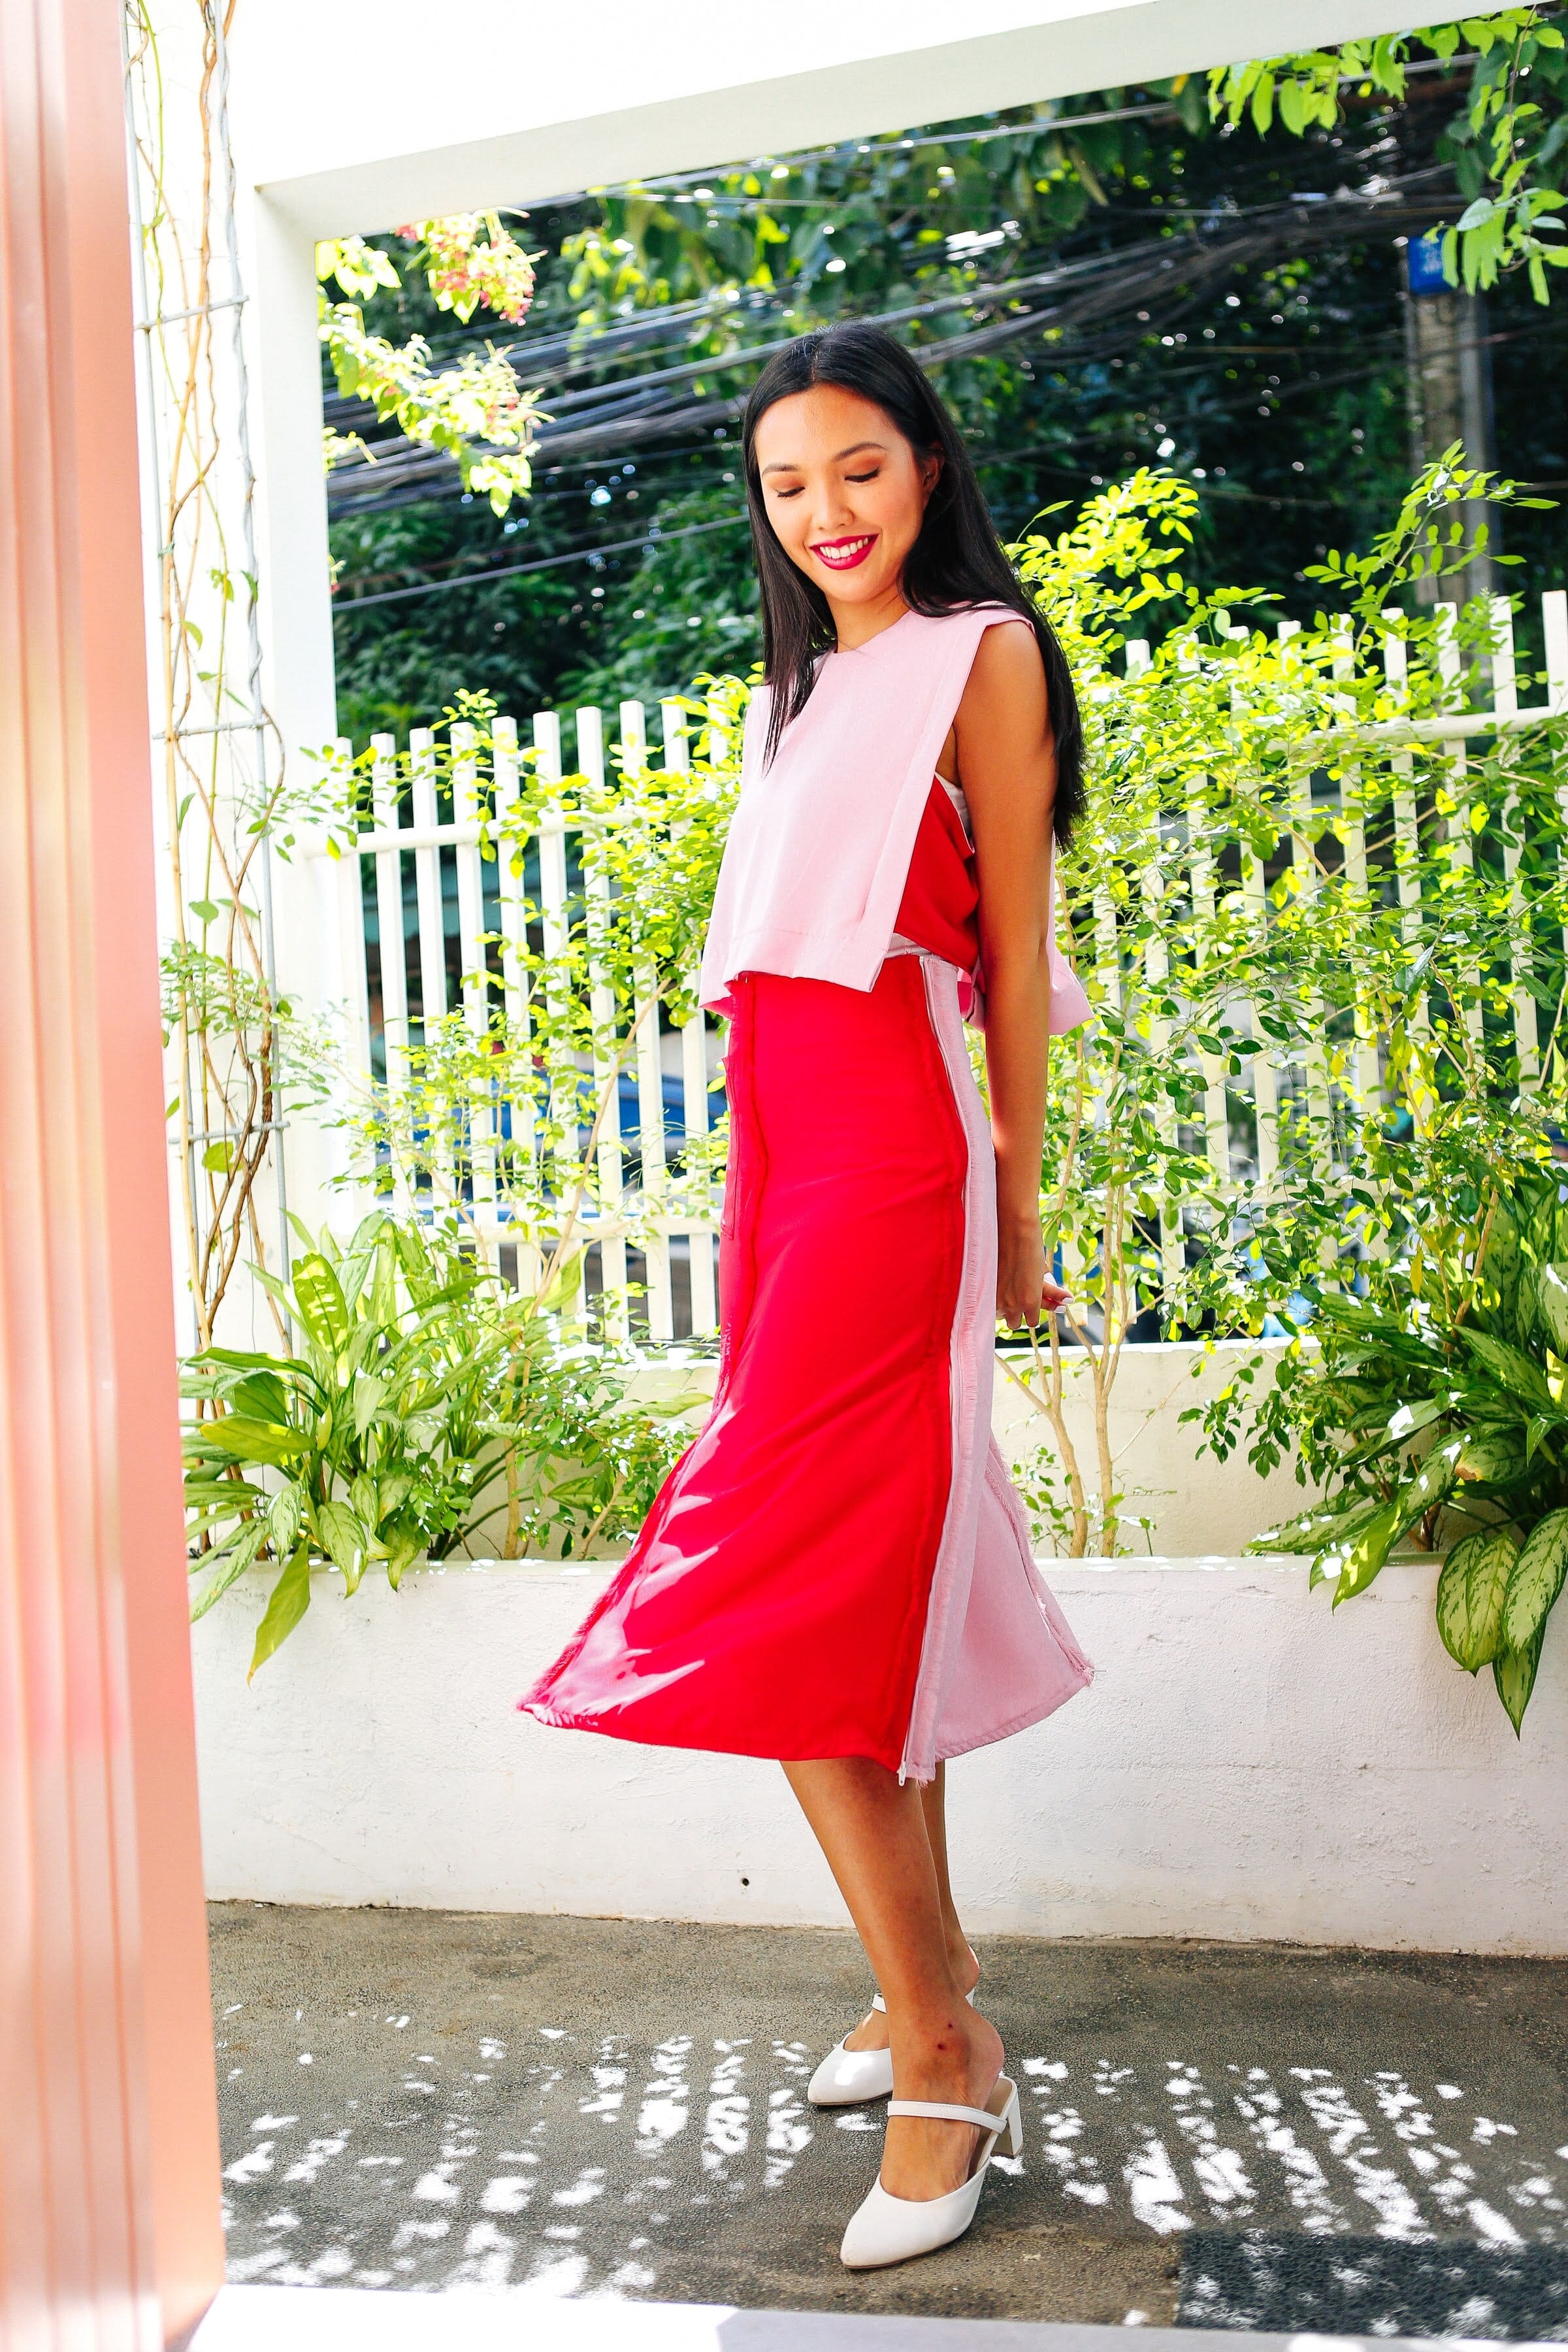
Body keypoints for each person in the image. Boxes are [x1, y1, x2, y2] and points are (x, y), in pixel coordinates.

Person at [521, 319, 1094, 2269]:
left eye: (858, 465)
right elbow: (764, 995)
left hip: (906, 1159)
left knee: (784, 1569)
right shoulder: (792, 698)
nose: (825, 511)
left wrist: (1020, 1201)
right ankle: (919, 1984)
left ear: (927, 466)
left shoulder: (983, 657)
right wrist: (745, 1216)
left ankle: (946, 2047)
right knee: (865, 1577)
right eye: (787, 484)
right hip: (787, 1153)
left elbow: (1010, 952)